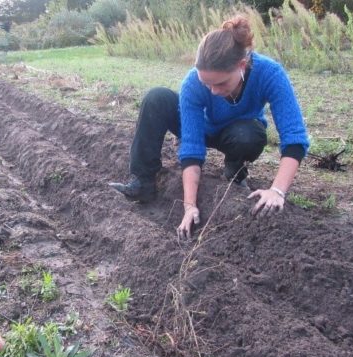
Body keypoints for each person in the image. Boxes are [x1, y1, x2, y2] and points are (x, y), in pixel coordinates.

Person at [109, 15, 310, 240]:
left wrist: (277, 190)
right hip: (202, 128)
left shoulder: (270, 74)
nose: (213, 91)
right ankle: (143, 182)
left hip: (237, 132)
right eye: (207, 84)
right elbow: (192, 150)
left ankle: (235, 170)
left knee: (249, 135)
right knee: (156, 97)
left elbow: (295, 137)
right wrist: (189, 207)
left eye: (221, 83)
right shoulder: (192, 84)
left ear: (241, 66)